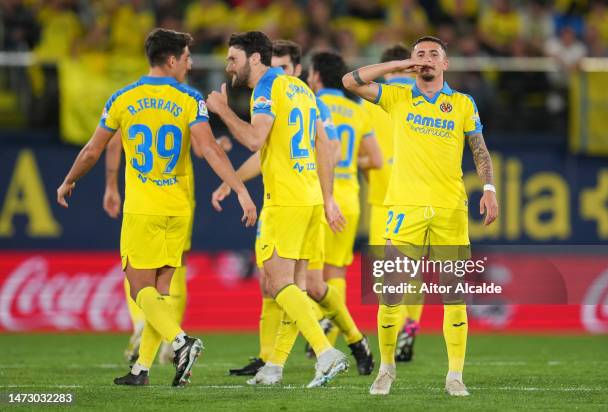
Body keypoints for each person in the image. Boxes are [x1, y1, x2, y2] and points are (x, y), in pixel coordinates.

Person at [56, 28, 257, 387]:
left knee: (139, 290)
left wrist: (70, 180)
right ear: (170, 60)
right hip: (179, 208)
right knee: (160, 293)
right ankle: (141, 369)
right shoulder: (190, 99)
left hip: (143, 209)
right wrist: (240, 190)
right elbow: (209, 150)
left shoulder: (122, 99)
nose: (190, 63)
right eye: (186, 56)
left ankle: (181, 342)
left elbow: (92, 150)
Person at [343, 36, 499, 396]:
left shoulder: (462, 103)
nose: (426, 59)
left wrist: (489, 190)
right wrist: (396, 68)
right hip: (404, 207)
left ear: (445, 64)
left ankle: (455, 375)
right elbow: (350, 81)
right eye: (419, 55)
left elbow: (480, 151)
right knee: (391, 292)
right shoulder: (396, 96)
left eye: (433, 54)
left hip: (449, 207)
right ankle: (386, 370)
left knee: (454, 294)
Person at [217, 40, 374, 382]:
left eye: (233, 58)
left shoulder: (266, 86)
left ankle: (326, 351)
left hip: (285, 199)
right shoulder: (302, 90)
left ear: (254, 58)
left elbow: (255, 140)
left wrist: (222, 110)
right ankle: (274, 365)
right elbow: (326, 145)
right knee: (299, 286)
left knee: (277, 282)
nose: (228, 66)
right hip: (311, 196)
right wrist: (328, 196)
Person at [103, 132, 232, 365]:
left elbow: (112, 143)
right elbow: (202, 149)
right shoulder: (186, 99)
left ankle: (141, 323)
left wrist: (111, 185)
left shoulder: (126, 100)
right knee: (173, 270)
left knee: (136, 268)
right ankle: (170, 341)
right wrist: (219, 145)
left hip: (141, 202)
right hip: (178, 200)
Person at [304, 50, 381, 356]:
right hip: (349, 197)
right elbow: (374, 159)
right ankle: (334, 335)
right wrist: (350, 161)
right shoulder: (358, 109)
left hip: (321, 193)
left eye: (310, 73)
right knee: (336, 271)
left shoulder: (312, 104)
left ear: (317, 75)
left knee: (308, 271)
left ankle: (319, 327)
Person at [361, 44, 422, 363]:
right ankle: (410, 326)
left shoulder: (373, 98)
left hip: (382, 199)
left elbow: (359, 152)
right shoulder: (421, 97)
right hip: (415, 197)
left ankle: (394, 333)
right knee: (410, 272)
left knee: (387, 275)